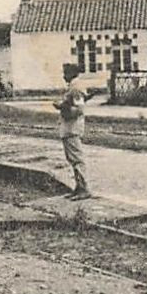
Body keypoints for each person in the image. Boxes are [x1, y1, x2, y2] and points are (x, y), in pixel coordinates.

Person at [53, 63, 93, 200]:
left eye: (65, 73)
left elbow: (79, 109)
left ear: (71, 73)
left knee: (76, 159)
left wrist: (62, 107)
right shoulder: (74, 86)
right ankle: (79, 187)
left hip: (72, 127)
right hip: (69, 127)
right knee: (72, 158)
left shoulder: (75, 87)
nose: (64, 76)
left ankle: (84, 188)